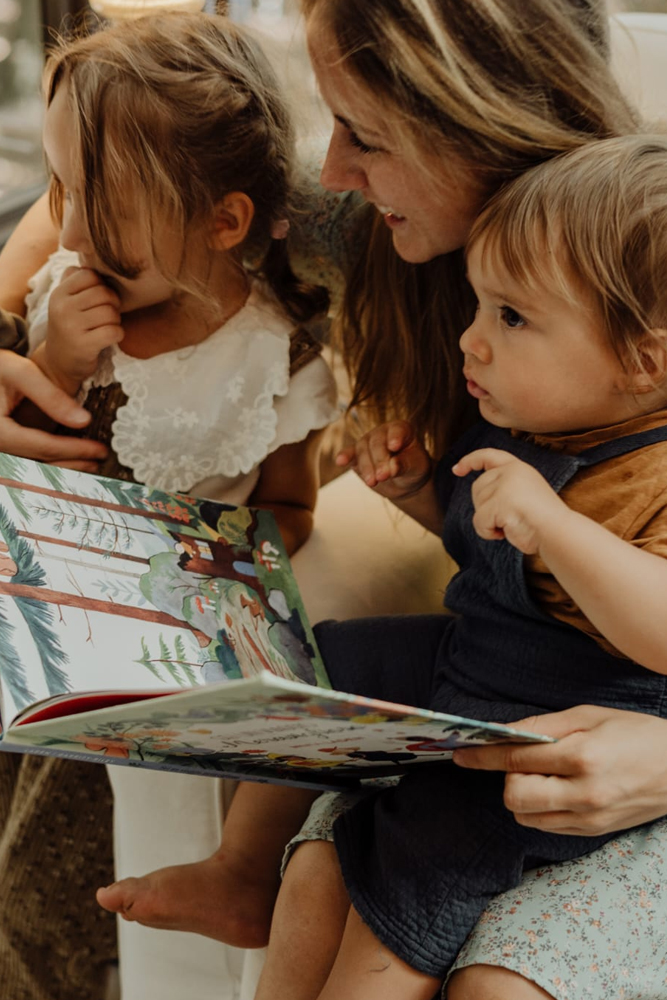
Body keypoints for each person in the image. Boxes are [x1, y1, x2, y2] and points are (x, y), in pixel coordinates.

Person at [0, 2, 666, 999]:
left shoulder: (630, 263)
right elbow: (83, 197)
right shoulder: (366, 235)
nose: (332, 170)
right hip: (487, 683)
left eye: (365, 132)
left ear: (473, 120)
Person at [251, 131, 667, 1000]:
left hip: (560, 723)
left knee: (415, 869)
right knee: (295, 667)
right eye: (478, 308)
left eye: (510, 318)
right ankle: (234, 865)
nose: (470, 342)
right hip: (474, 666)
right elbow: (481, 558)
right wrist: (413, 494)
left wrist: (551, 523)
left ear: (643, 361)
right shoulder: (533, 421)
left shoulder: (654, 473)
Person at [0, 11, 339, 997]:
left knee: (131, 825)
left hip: (166, 631)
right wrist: (57, 355)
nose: (66, 236)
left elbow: (290, 505)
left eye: (100, 208)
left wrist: (217, 568)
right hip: (44, 588)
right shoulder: (73, 297)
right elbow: (44, 450)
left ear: (223, 223)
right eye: (61, 190)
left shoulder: (275, 354)